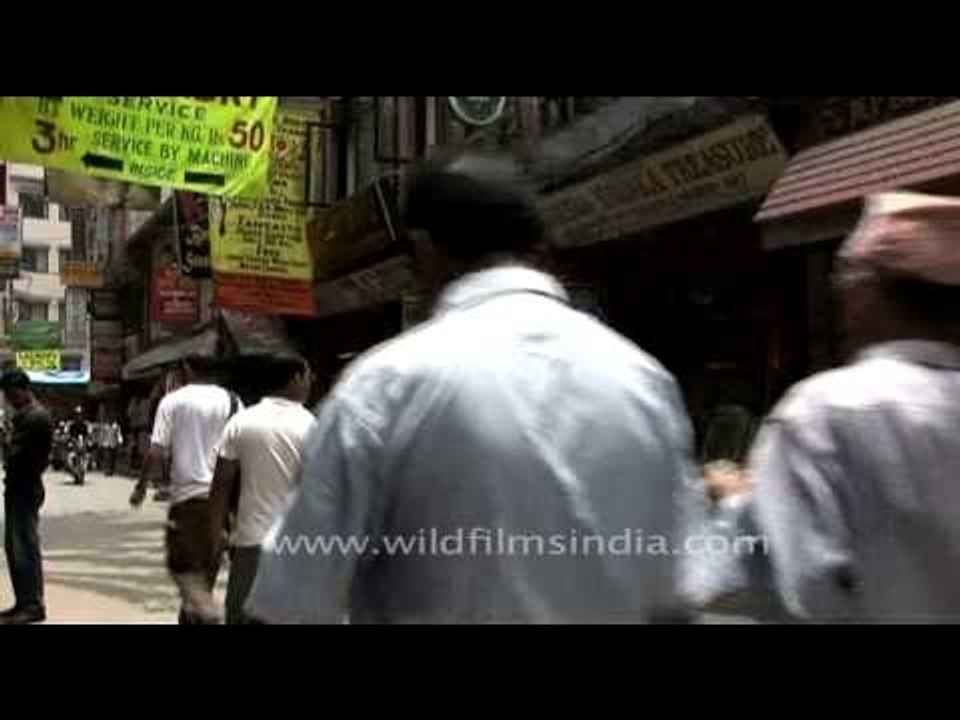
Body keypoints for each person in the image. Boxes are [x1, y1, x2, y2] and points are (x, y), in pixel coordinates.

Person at [247, 154, 698, 624]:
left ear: (424, 248)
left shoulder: (386, 385)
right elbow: (677, 598)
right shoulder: (644, 381)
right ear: (539, 249)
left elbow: (291, 599)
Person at [712, 191, 960, 622]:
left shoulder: (823, 412)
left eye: (844, 280)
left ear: (865, 293)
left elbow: (789, 588)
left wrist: (735, 505)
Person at [130, 356, 241, 624]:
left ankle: (209, 615)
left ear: (187, 370)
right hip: (223, 502)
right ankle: (200, 615)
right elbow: (242, 448)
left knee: (184, 569)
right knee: (205, 576)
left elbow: (155, 451)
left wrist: (141, 486)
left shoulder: (173, 401)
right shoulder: (233, 400)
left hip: (189, 503)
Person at [208, 355, 314, 624]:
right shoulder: (311, 425)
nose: (311, 382)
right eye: (307, 376)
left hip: (251, 541)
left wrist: (215, 531)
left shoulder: (242, 422)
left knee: (242, 615)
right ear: (294, 379)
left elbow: (221, 482)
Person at [0, 370, 54, 624]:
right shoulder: (26, 416)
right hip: (20, 487)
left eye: (11, 394)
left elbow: (14, 456)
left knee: (23, 548)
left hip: (25, 487)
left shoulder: (35, 418)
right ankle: (24, 602)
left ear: (22, 389)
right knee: (16, 547)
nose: (9, 399)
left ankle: (31, 605)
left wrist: (4, 438)